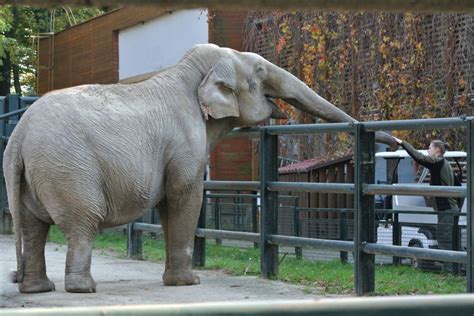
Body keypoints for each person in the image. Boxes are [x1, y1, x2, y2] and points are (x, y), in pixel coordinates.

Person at [392, 137, 460, 269]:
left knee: (445, 239)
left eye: (430, 148)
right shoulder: (445, 164)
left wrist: (402, 143)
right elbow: (457, 185)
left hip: (446, 210)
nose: (428, 150)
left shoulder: (437, 162)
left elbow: (419, 157)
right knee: (449, 238)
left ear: (437, 150)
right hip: (450, 209)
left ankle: (450, 270)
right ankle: (453, 268)